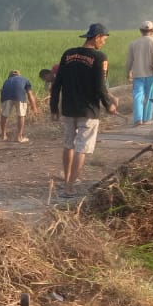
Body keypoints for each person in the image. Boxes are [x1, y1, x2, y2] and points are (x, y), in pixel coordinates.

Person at [50, 23, 119, 196]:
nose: (104, 42)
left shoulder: (68, 54)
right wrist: (108, 104)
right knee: (81, 147)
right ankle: (70, 186)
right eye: (104, 39)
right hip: (88, 111)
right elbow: (100, 86)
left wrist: (53, 107)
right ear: (96, 37)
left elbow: (57, 84)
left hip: (68, 108)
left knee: (68, 144)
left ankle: (67, 180)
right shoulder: (100, 57)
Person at [126, 20, 153, 125]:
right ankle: (146, 118)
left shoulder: (134, 43)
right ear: (152, 31)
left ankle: (138, 119)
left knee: (137, 96)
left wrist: (128, 72)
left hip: (138, 74)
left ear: (141, 31)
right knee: (150, 96)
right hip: (151, 74)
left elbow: (129, 61)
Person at [0, 69, 39, 142]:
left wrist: (3, 104)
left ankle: (3, 136)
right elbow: (30, 95)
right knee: (21, 115)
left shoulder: (7, 81)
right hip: (19, 96)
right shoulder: (25, 80)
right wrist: (34, 107)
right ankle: (19, 137)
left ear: (10, 76)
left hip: (6, 97)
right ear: (19, 75)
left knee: (4, 115)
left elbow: (2, 94)